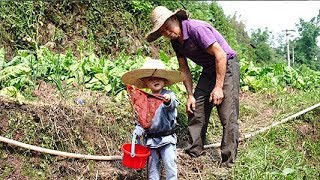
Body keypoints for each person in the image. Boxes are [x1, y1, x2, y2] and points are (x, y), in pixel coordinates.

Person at [146, 6, 240, 168]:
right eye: (163, 32)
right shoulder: (176, 42)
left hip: (227, 64)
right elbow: (184, 69)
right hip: (209, 69)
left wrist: (218, 88)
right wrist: (190, 94)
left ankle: (228, 162)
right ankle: (194, 151)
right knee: (196, 108)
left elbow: (221, 55)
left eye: (168, 28)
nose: (168, 33)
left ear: (175, 19)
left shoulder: (196, 29)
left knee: (227, 115)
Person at [122, 58, 185, 180]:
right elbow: (143, 119)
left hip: (167, 139)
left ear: (165, 80)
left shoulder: (169, 94)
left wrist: (168, 101)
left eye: (158, 77)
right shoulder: (145, 100)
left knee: (170, 166)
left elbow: (173, 104)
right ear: (146, 83)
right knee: (152, 169)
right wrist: (137, 131)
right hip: (151, 141)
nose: (155, 80)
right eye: (150, 79)